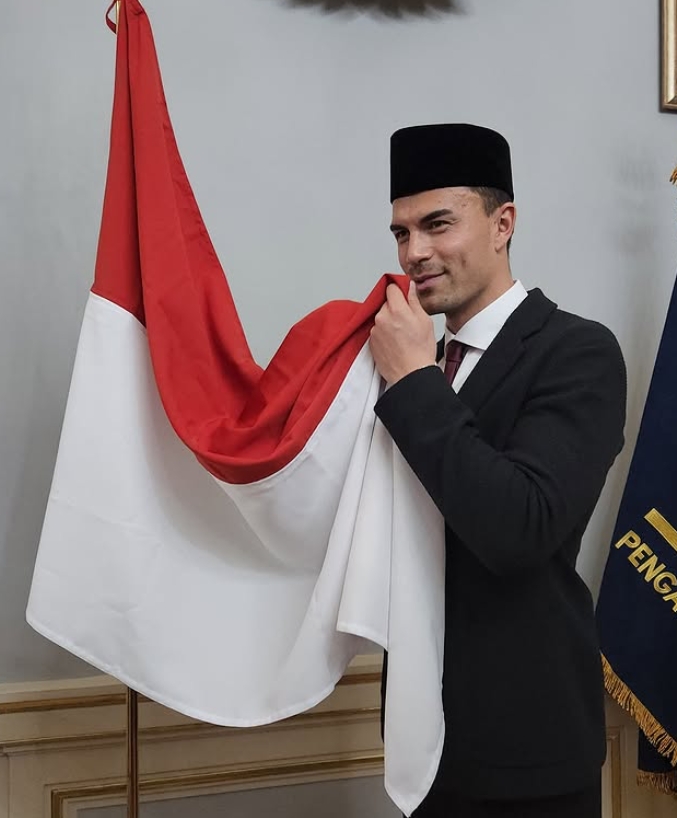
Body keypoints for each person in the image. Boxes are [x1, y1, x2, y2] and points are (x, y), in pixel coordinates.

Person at [368, 124, 626, 818]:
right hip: (422, 740)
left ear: (502, 223)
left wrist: (413, 383)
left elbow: (520, 527)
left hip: (529, 748)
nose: (413, 253)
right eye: (400, 233)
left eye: (437, 224)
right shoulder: (414, 361)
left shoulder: (577, 352)